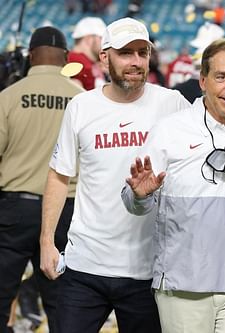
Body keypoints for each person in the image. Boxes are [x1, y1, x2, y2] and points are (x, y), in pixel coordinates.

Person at [122, 37, 225, 333]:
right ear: (203, 81)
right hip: (183, 284)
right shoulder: (169, 130)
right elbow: (134, 202)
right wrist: (141, 196)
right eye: (221, 77)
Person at [39, 17, 191, 333]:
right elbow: (59, 175)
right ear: (105, 57)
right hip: (84, 265)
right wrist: (46, 242)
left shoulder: (173, 104)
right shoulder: (81, 107)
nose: (136, 62)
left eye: (142, 52)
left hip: (148, 270)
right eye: (126, 53)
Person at [0, 26, 84, 333]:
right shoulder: (81, 100)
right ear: (65, 58)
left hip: (15, 209)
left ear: (31, 56)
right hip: (65, 209)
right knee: (63, 302)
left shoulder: (8, 97)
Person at [68, 16, 107, 90]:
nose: (105, 44)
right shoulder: (79, 63)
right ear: (89, 39)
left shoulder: (88, 63)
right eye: (102, 38)